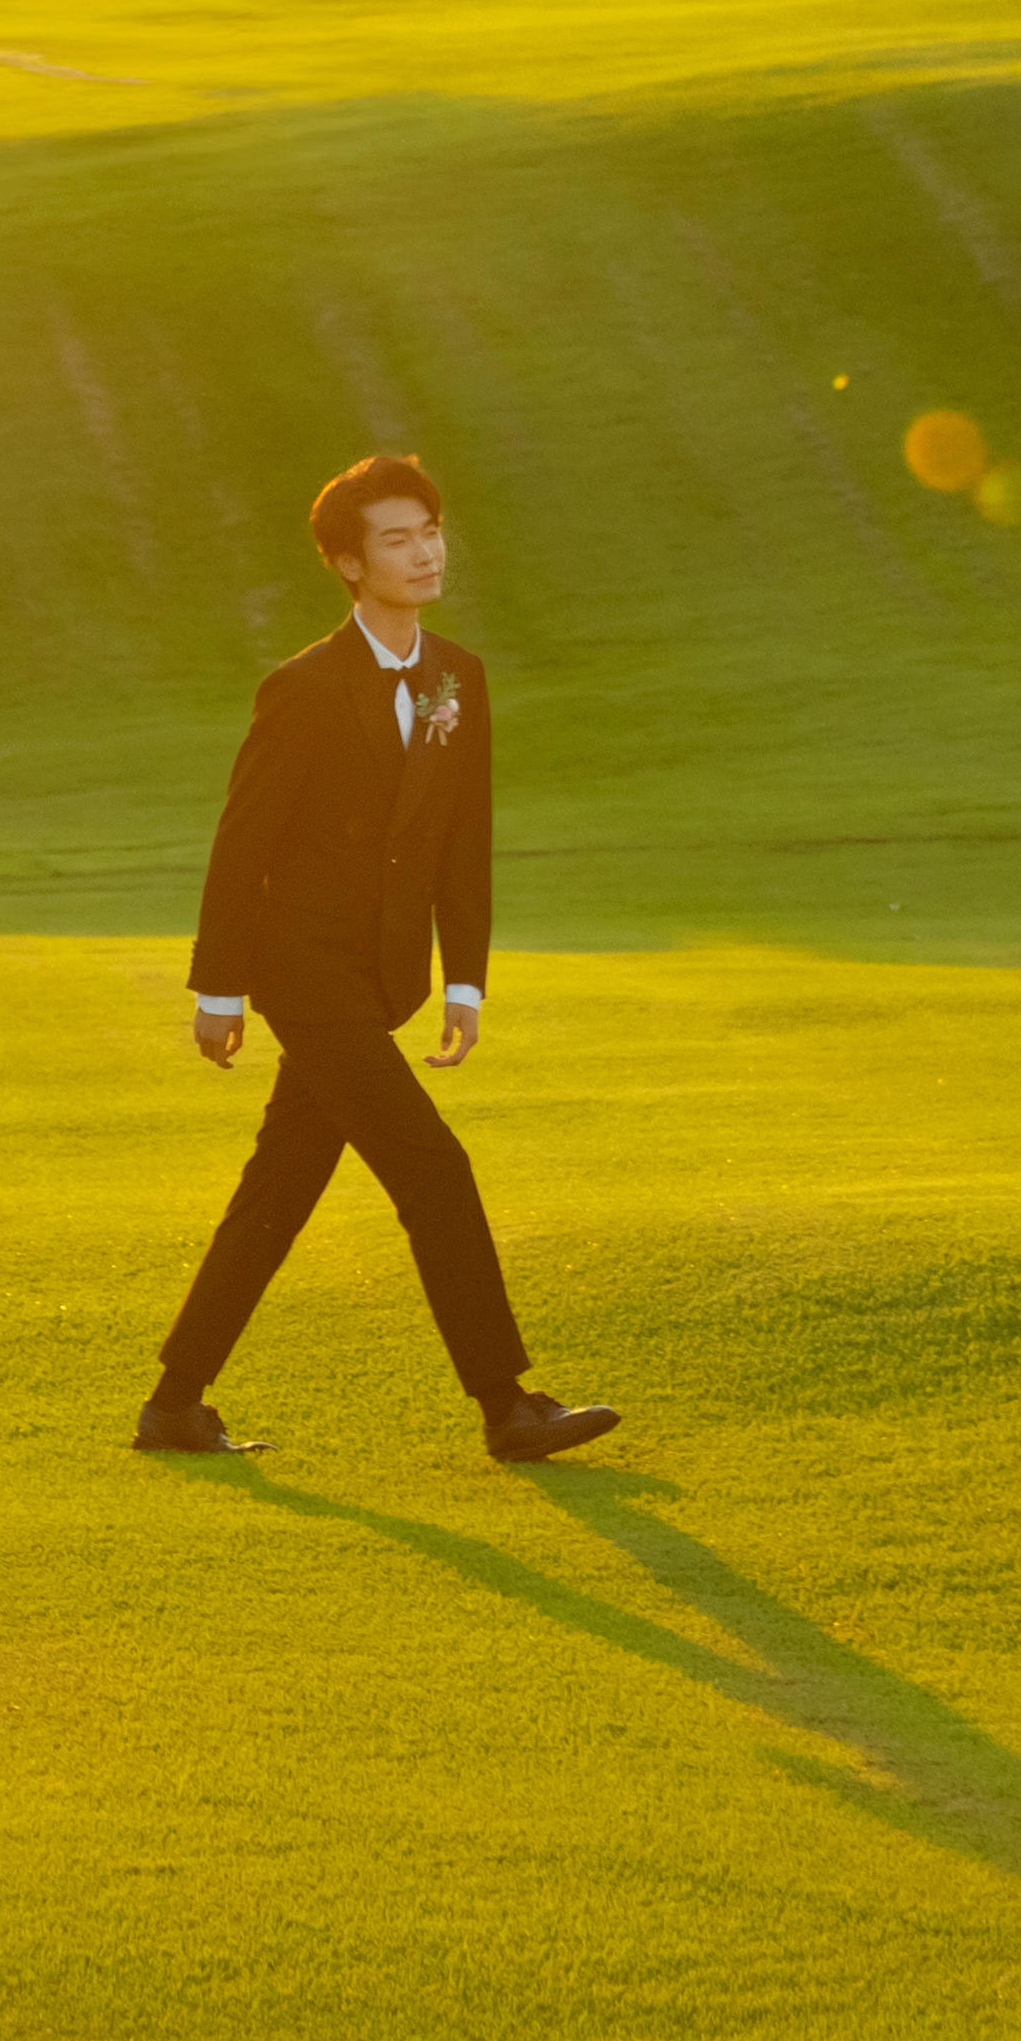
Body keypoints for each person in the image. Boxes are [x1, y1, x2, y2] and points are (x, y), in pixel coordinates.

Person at [136, 452, 624, 1465]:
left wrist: (464, 979)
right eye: (397, 538)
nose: (424, 550)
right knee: (434, 1169)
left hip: (384, 978)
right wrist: (220, 989)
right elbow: (245, 843)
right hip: (304, 976)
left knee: (281, 1186)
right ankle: (507, 1405)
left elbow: (462, 838)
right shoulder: (302, 689)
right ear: (348, 564)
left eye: (432, 529)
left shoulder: (460, 678)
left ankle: (175, 1403)